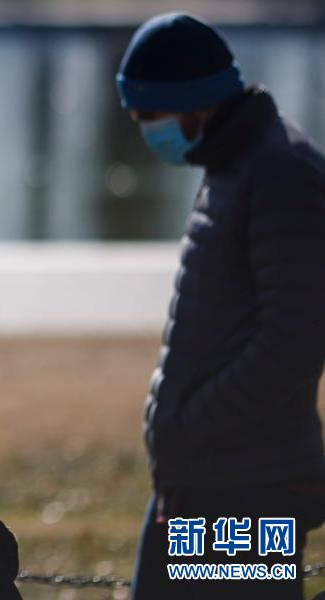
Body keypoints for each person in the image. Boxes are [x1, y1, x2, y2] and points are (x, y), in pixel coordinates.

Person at [117, 13, 325, 599]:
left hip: (249, 493)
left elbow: (295, 340)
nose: (146, 130)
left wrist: (191, 422)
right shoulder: (232, 163)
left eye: (150, 114)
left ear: (195, 101)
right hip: (202, 481)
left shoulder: (280, 170)